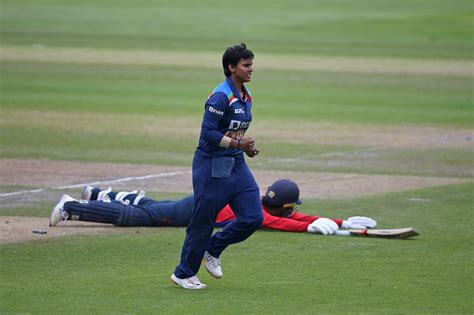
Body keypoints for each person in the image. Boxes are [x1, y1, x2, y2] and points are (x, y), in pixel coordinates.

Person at [50, 179, 376, 240]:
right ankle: (72, 207)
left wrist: (337, 220)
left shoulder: (255, 200)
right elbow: (283, 223)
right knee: (142, 217)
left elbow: (290, 216)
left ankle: (99, 193)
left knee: (153, 206)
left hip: (197, 204)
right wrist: (308, 227)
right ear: (282, 206)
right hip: (193, 213)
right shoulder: (256, 214)